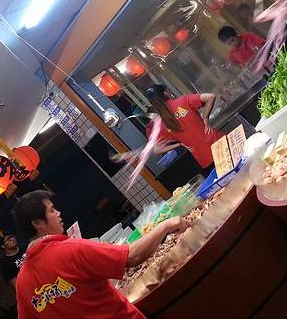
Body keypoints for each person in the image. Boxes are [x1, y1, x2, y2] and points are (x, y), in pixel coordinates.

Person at [13, 190, 189, 319]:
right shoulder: (70, 249)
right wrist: (167, 225)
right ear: (37, 223)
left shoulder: (22, 283)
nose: (58, 214)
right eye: (52, 210)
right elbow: (132, 256)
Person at [146, 84, 223, 173]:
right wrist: (206, 118)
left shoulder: (162, 123)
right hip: (218, 143)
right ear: (165, 93)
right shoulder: (182, 101)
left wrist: (180, 144)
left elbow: (157, 150)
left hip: (204, 158)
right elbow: (210, 97)